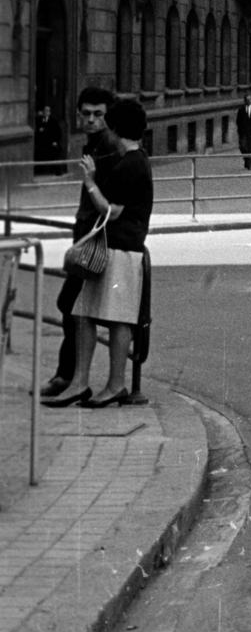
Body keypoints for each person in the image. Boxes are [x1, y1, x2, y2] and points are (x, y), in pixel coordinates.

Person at [43, 97, 153, 410]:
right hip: (117, 248)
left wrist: (90, 181)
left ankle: (112, 385)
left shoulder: (131, 163)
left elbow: (112, 211)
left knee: (116, 319)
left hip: (121, 248)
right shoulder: (135, 159)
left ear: (116, 127)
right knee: (84, 313)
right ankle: (83, 383)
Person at [41, 87, 118, 399]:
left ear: (107, 116)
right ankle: (69, 376)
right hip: (88, 236)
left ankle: (69, 378)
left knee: (72, 305)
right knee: (72, 306)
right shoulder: (96, 144)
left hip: (97, 241)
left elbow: (109, 198)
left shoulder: (109, 146)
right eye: (85, 113)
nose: (90, 120)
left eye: (98, 114)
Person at [33, 103, 66, 175]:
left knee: (55, 152)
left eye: (47, 111)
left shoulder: (53, 121)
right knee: (40, 153)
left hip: (52, 142)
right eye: (45, 111)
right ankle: (42, 171)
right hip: (43, 142)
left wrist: (55, 141)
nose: (46, 112)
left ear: (49, 112)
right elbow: (37, 131)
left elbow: (58, 132)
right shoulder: (40, 120)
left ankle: (57, 170)